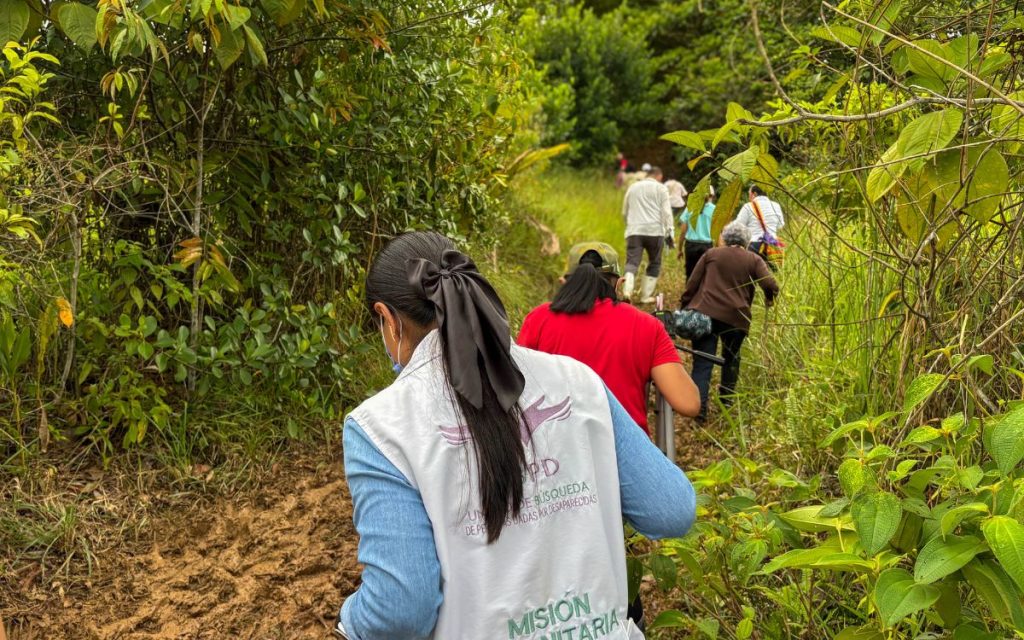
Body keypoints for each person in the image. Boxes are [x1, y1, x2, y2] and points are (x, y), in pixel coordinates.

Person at [337, 231, 696, 639]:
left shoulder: (381, 427)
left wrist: (349, 621)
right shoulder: (577, 381)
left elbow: (400, 611)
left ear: (388, 318)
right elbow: (671, 509)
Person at [518, 241, 700, 435]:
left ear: (564, 282)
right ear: (619, 283)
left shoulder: (538, 319)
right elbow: (688, 403)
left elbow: (518, 387)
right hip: (622, 454)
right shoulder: (646, 326)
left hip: (556, 452)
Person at [679, 221, 779, 422]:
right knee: (732, 360)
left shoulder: (711, 254)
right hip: (736, 318)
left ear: (724, 238)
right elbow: (771, 284)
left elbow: (692, 283)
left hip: (705, 313)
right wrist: (769, 297)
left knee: (702, 363)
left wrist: (685, 305)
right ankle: (726, 404)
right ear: (746, 240)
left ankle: (699, 412)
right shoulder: (753, 259)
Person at [621, 166, 674, 303]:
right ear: (659, 176)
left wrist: (630, 224)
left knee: (632, 262)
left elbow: (624, 211)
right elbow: (667, 213)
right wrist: (670, 232)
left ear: (647, 174)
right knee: (654, 262)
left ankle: (627, 291)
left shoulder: (633, 187)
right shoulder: (661, 189)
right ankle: (645, 296)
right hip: (655, 232)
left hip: (635, 231)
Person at [734, 185, 784, 258]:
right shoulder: (776, 205)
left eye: (749, 194)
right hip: (773, 245)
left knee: (753, 269)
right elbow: (780, 225)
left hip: (755, 245)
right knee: (773, 269)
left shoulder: (748, 206)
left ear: (754, 194)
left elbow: (737, 226)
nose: (749, 198)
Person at [677, 185, 716, 278]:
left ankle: (690, 292)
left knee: (690, 274)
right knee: (705, 275)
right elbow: (718, 233)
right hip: (707, 246)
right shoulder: (715, 209)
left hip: (691, 246)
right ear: (711, 196)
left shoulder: (690, 207)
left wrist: (679, 249)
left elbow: (683, 232)